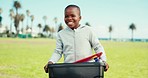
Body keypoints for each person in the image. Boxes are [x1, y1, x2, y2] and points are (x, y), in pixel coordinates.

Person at [44, 4, 109, 73]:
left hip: (87, 69)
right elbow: (58, 51)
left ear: (80, 18)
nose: (69, 18)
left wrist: (103, 61)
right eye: (66, 16)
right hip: (69, 70)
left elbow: (98, 47)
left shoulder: (88, 30)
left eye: (73, 16)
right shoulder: (61, 34)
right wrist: (51, 61)